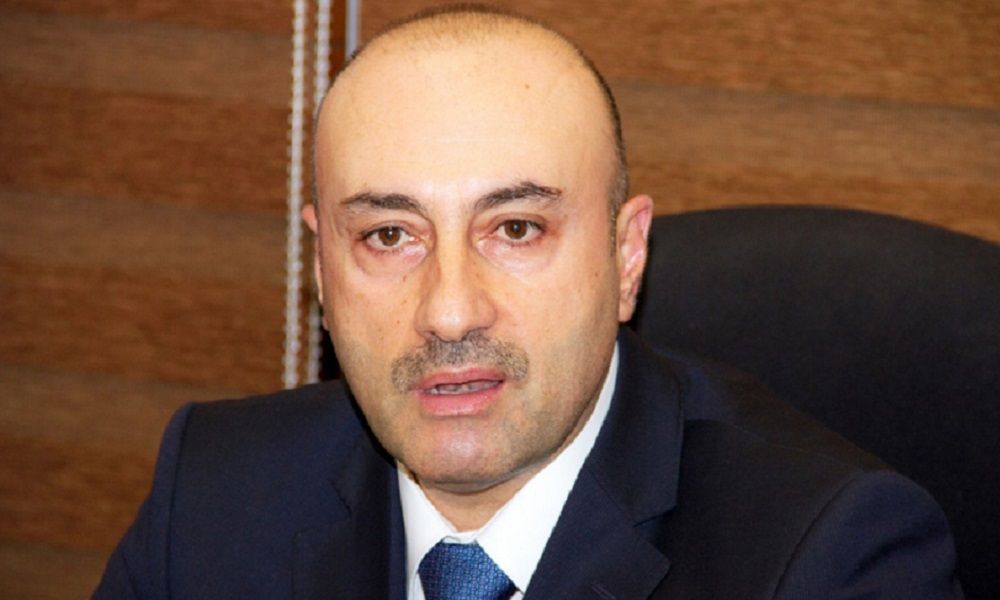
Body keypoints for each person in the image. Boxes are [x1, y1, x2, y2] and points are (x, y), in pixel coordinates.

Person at [95, 5, 962, 599]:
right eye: (389, 236)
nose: (449, 312)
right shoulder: (211, 494)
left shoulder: (827, 559)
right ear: (322, 275)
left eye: (515, 229)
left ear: (626, 256)